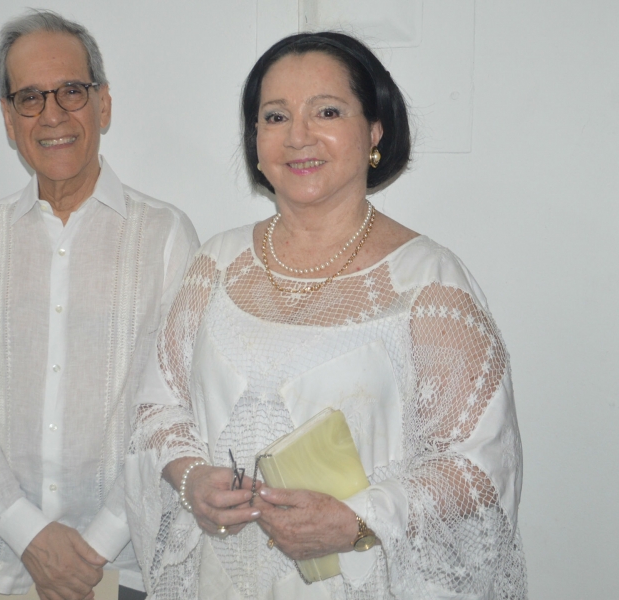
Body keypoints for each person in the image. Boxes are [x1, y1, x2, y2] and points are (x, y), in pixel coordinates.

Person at [126, 32, 526, 599]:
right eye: (275, 116)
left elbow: (479, 467)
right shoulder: (215, 263)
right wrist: (191, 479)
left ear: (375, 132)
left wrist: (360, 520)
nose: (298, 137)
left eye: (327, 112)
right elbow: (156, 409)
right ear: (256, 142)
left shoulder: (427, 280)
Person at [0, 10, 198, 600]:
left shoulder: (166, 236)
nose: (52, 114)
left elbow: (174, 410)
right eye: (29, 97)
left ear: (103, 104)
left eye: (71, 91)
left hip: (125, 567)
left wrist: (93, 548)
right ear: (7, 117)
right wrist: (30, 534)